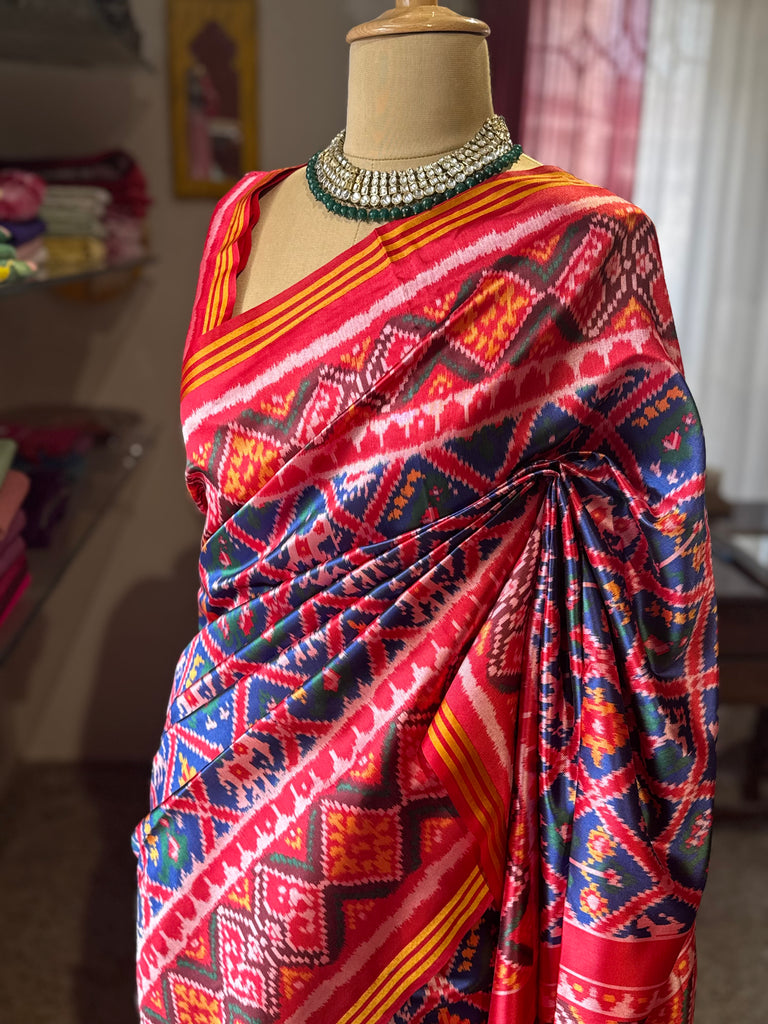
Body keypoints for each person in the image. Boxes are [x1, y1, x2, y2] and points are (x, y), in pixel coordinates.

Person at [134, 4, 718, 1022]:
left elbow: (654, 556)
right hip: (216, 770)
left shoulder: (587, 248)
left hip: (435, 814)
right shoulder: (242, 223)